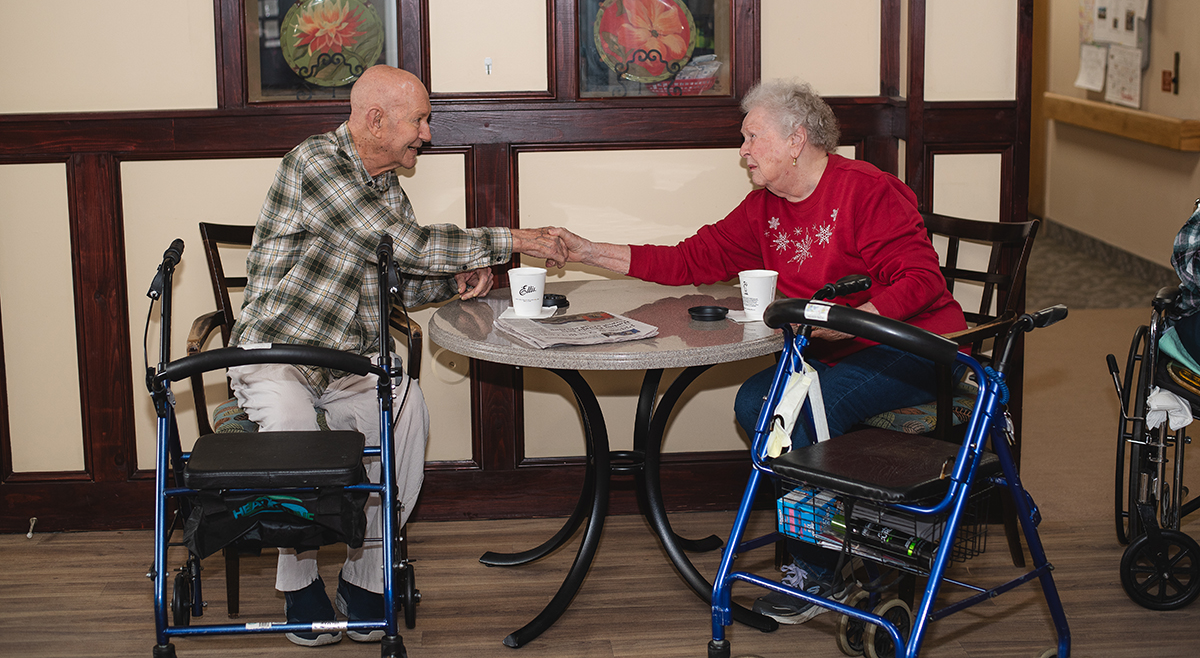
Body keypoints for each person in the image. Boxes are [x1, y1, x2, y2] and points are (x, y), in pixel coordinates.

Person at [548, 79, 966, 625]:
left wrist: (858, 320)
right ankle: (843, 540)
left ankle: (826, 566)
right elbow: (689, 259)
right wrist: (587, 250)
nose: (741, 150)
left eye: (751, 137)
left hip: (911, 348)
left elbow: (921, 280)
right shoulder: (765, 207)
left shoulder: (867, 190)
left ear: (796, 139)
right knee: (757, 403)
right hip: (833, 356)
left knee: (789, 410)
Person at [227, 65, 568, 647]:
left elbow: (399, 283)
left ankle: (365, 579)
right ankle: (298, 583)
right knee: (290, 427)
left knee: (409, 411)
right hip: (277, 352)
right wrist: (514, 239)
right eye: (420, 120)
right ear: (375, 119)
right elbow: (405, 246)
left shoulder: (386, 187)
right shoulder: (315, 165)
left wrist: (458, 279)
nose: (428, 135)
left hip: (346, 363)